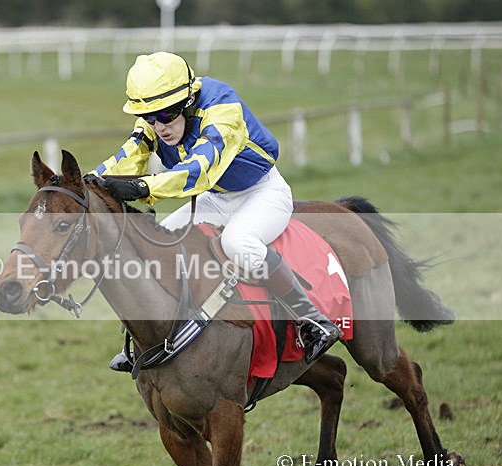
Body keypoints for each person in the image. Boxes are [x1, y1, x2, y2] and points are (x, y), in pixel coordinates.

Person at [87, 51, 341, 372]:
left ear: (188, 100)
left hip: (261, 193)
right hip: (215, 198)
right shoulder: (157, 114)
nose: (158, 125)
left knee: (238, 242)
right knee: (154, 246)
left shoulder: (223, 109)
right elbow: (128, 155)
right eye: (150, 117)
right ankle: (140, 342)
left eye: (165, 116)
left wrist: (142, 187)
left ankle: (311, 320)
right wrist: (90, 182)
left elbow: (200, 170)